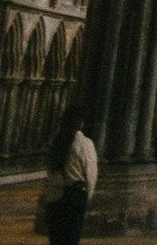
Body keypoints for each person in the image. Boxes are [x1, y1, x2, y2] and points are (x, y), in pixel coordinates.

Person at [43, 105, 97, 245]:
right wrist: (88, 195)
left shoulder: (56, 141)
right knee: (71, 237)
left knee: (56, 238)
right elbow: (91, 173)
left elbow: (50, 169)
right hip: (75, 196)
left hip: (55, 195)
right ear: (80, 123)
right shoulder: (84, 143)